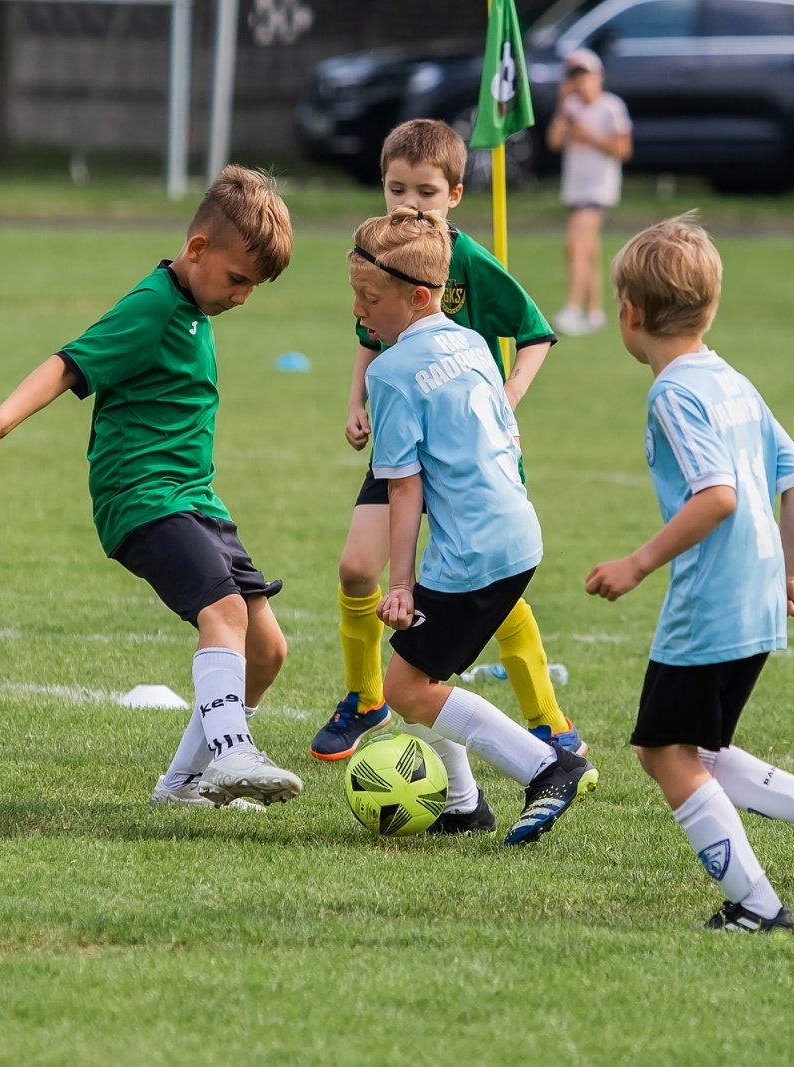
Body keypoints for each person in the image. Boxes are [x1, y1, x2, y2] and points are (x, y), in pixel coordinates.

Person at [0, 165, 303, 811]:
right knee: (222, 614)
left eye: (255, 285)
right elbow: (66, 363)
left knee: (269, 649)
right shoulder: (155, 303)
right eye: (238, 278)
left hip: (195, 499)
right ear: (198, 250)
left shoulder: (193, 307)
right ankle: (230, 752)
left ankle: (182, 785)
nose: (244, 295)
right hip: (142, 497)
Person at [584, 214, 794, 931]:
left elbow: (717, 493)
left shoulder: (674, 392)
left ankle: (758, 905)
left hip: (711, 600)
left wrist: (637, 561)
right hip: (757, 596)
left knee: (664, 752)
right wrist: (788, 572)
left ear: (629, 312)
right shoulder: (733, 382)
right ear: (709, 309)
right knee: (698, 748)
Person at [313, 118, 586, 765]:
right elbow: (370, 339)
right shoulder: (379, 252)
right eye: (397, 188)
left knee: (486, 586)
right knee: (357, 567)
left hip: (464, 453)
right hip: (405, 445)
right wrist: (356, 403)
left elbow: (536, 333)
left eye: (426, 192)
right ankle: (366, 697)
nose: (410, 204)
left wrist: (506, 400)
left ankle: (548, 723)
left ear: (455, 195)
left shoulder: (465, 261)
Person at [353, 207, 597, 842]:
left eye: (369, 298)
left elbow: (403, 487)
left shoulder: (390, 373)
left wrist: (400, 584)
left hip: (472, 554)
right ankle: (464, 806)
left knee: (405, 685)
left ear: (419, 295)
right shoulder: (471, 342)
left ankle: (547, 765)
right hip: (519, 531)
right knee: (421, 670)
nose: (359, 311)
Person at [546, 49, 631, 338]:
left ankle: (572, 308)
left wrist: (588, 135)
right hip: (575, 188)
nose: (581, 84)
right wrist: (562, 106)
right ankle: (595, 313)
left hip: (599, 188)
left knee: (575, 245)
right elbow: (554, 142)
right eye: (576, 78)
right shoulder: (570, 108)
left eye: (585, 77)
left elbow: (622, 150)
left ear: (598, 78)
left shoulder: (611, 107)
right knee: (588, 249)